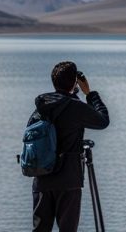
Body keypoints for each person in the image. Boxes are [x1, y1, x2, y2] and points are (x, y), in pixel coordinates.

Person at [28, 61, 110, 232]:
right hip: (68, 180)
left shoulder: (41, 107)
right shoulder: (75, 107)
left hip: (42, 178)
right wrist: (90, 94)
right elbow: (103, 121)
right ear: (74, 82)